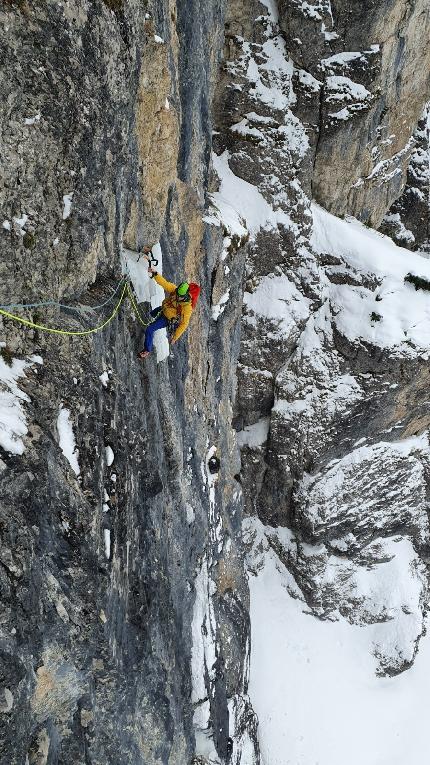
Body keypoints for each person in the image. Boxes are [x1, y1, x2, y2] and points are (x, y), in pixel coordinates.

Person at [138, 252, 200, 359]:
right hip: (163, 309)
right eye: (177, 294)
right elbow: (165, 283)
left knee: (150, 329)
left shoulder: (187, 308)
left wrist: (175, 337)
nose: (177, 296)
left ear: (185, 296)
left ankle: (147, 350)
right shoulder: (176, 291)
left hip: (167, 318)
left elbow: (184, 324)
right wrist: (155, 274)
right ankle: (148, 320)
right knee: (151, 314)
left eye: (180, 296)